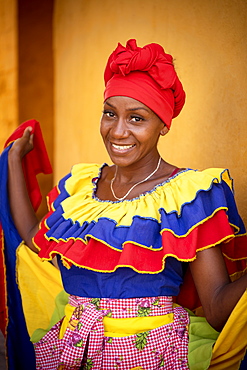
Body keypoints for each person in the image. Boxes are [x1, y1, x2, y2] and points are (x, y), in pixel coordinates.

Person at [6, 39, 247, 369]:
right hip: (72, 354)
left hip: (154, 358)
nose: (118, 131)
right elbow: (35, 237)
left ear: (163, 125)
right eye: (110, 113)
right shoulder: (82, 190)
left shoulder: (186, 198)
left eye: (137, 118)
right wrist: (14, 160)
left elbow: (218, 309)